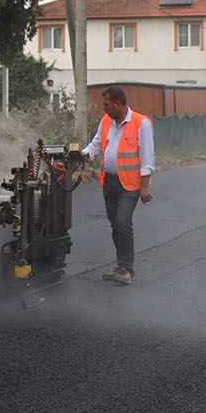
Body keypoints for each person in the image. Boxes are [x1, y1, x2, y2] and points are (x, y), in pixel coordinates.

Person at [83, 86, 153, 285]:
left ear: (118, 104)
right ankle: (120, 266)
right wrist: (82, 155)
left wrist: (144, 187)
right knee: (115, 224)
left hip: (130, 184)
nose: (103, 108)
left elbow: (147, 159)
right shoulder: (106, 121)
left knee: (123, 222)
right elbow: (96, 145)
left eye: (106, 104)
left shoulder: (141, 123)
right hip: (109, 182)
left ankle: (127, 269)